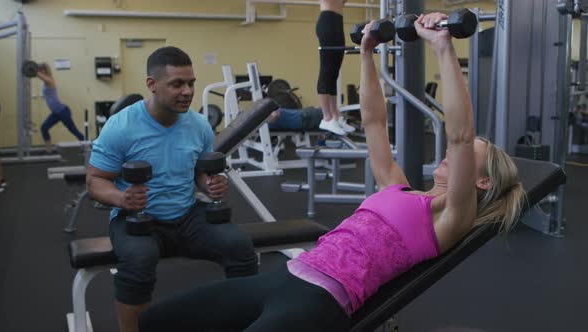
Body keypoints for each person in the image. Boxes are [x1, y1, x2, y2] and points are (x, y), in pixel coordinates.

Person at [138, 15, 526, 332]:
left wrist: (442, 46)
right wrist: (366, 54)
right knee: (156, 320)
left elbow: (460, 135)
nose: (448, 155)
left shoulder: (451, 217)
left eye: (464, 158)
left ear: (482, 181)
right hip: (286, 276)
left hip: (320, 301)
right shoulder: (397, 186)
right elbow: (374, 122)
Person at [86, 46, 258, 332]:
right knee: (139, 260)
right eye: (177, 84)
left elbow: (198, 172)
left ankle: (243, 323)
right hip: (138, 219)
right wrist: (123, 198)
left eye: (191, 83)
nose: (187, 91)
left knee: (239, 245)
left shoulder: (199, 125)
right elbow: (95, 181)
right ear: (152, 85)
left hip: (187, 214)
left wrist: (210, 183)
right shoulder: (121, 126)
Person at [316, 0, 355, 135]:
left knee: (334, 72)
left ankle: (335, 116)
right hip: (327, 21)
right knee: (326, 70)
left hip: (337, 22)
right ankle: (326, 118)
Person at [36, 64, 85, 152]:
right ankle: (49, 149)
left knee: (73, 130)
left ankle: (88, 146)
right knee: (44, 128)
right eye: (39, 70)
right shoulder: (45, 81)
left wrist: (35, 71)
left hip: (62, 111)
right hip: (56, 113)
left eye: (41, 70)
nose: (40, 71)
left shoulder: (49, 80)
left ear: (45, 71)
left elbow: (41, 77)